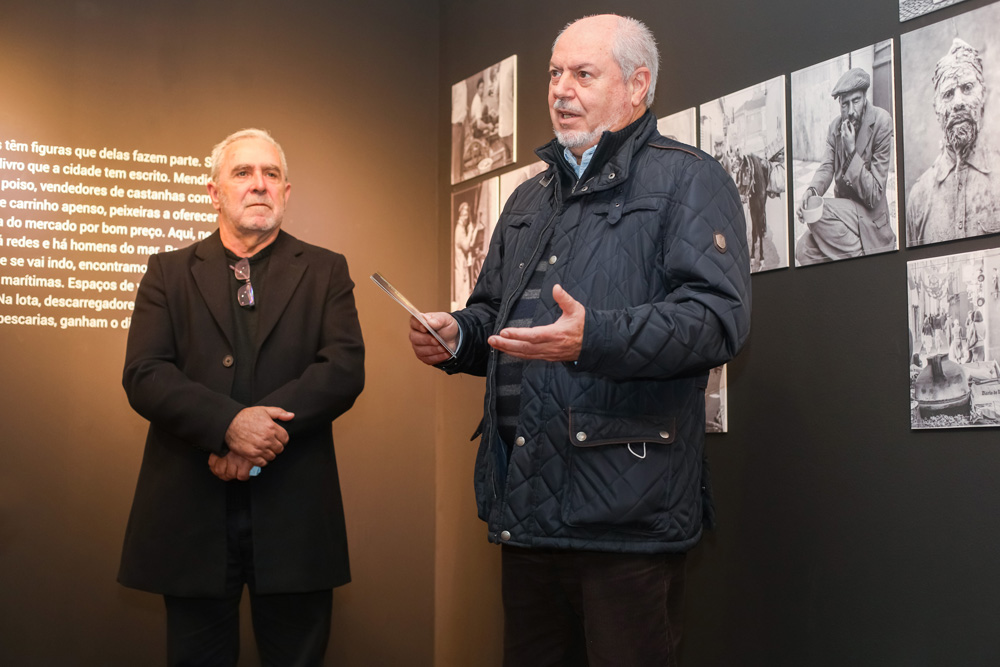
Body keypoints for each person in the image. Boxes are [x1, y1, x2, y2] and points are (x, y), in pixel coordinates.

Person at [408, 14, 750, 666]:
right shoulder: (528, 201)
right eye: (554, 73)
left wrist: (594, 337)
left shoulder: (689, 181)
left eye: (582, 73)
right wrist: (458, 336)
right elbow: (495, 320)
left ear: (637, 84)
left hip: (626, 520)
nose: (560, 89)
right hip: (527, 510)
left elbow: (716, 320)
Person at [119, 128, 365, 666]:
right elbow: (144, 372)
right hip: (191, 513)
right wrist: (229, 425)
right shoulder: (167, 271)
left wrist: (257, 435)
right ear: (214, 192)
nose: (259, 185)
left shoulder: (326, 270)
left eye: (271, 174)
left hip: (294, 513)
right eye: (244, 173)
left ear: (286, 190)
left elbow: (343, 369)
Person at [795, 67, 896, 264]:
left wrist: (851, 152)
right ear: (839, 104)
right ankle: (857, 254)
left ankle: (861, 257)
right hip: (845, 215)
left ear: (864, 97)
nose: (850, 111)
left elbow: (875, 194)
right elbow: (826, 166)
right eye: (844, 104)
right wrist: (812, 190)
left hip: (869, 214)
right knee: (802, 249)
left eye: (855, 101)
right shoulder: (834, 128)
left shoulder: (882, 122)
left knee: (821, 213)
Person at [907, 38, 1000, 246]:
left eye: (967, 88)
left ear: (982, 95)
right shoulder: (919, 197)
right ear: (937, 108)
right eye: (948, 94)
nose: (958, 102)